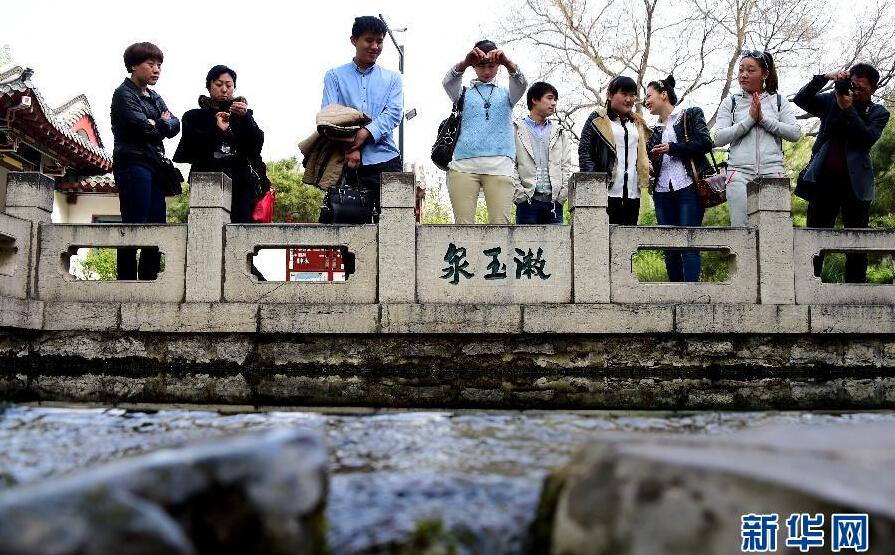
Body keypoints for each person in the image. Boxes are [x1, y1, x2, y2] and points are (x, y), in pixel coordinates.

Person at [793, 64, 890, 283]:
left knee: (857, 240)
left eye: (862, 88)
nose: (855, 92)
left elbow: (866, 139)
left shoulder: (878, 112)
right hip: (823, 180)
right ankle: (809, 285)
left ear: (873, 89)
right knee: (815, 236)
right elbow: (801, 99)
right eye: (853, 85)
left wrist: (848, 110)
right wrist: (826, 77)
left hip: (855, 183)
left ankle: (855, 288)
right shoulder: (831, 100)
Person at [319, 15, 403, 223]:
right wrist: (351, 148)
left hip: (385, 160)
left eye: (380, 41)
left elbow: (393, 114)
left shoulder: (393, 78)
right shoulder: (334, 76)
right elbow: (330, 116)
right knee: (349, 232)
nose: (375, 46)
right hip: (345, 162)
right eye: (369, 40)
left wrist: (365, 134)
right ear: (354, 40)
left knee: (393, 228)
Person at [110, 42, 180, 280]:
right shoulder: (123, 94)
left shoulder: (155, 96)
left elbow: (175, 125)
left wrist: (157, 124)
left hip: (155, 165)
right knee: (134, 221)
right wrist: (158, 123)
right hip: (132, 163)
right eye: (150, 64)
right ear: (133, 65)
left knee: (157, 222)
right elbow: (141, 127)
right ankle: (127, 280)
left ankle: (149, 279)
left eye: (159, 65)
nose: (156, 69)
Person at [443, 39, 527, 224]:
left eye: (492, 65)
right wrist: (464, 63)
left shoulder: (507, 94)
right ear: (474, 67)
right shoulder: (463, 93)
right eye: (481, 66)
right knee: (463, 226)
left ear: (498, 66)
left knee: (500, 225)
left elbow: (521, 84)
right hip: (463, 166)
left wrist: (507, 62)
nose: (487, 71)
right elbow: (448, 83)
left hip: (500, 165)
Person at [714, 50, 801, 227]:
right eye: (741, 70)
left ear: (765, 74)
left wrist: (763, 119)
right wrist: (749, 120)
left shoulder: (778, 101)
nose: (743, 75)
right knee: (741, 233)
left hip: (773, 172)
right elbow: (718, 138)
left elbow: (794, 133)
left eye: (751, 70)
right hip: (738, 174)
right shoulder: (730, 102)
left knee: (775, 233)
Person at [173, 64, 267, 225]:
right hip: (206, 179)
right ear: (209, 86)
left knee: (240, 229)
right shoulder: (193, 116)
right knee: (205, 228)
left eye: (229, 85)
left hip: (241, 183)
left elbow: (256, 146)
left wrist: (246, 118)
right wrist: (216, 129)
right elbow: (191, 147)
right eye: (218, 84)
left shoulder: (244, 116)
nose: (224, 89)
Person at [644, 75, 714, 282]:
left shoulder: (690, 115)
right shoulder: (652, 130)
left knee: (689, 243)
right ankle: (673, 293)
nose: (645, 101)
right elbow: (652, 162)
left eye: (649, 96)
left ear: (663, 94)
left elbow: (705, 143)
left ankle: (690, 295)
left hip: (689, 187)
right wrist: (649, 162)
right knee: (669, 247)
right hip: (662, 192)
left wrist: (672, 148)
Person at [578, 76, 652, 225]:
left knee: (628, 241)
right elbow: (585, 151)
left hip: (632, 192)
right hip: (607, 191)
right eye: (624, 94)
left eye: (632, 95)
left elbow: (643, 152)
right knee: (603, 240)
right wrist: (595, 182)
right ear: (610, 95)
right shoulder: (598, 119)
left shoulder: (637, 123)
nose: (629, 99)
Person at [512, 82, 571, 225]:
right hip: (526, 203)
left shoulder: (559, 132)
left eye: (555, 99)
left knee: (556, 246)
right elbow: (510, 165)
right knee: (525, 246)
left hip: (554, 204)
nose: (554, 103)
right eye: (549, 98)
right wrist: (520, 195)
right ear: (534, 99)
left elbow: (566, 166)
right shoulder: (516, 129)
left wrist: (561, 196)